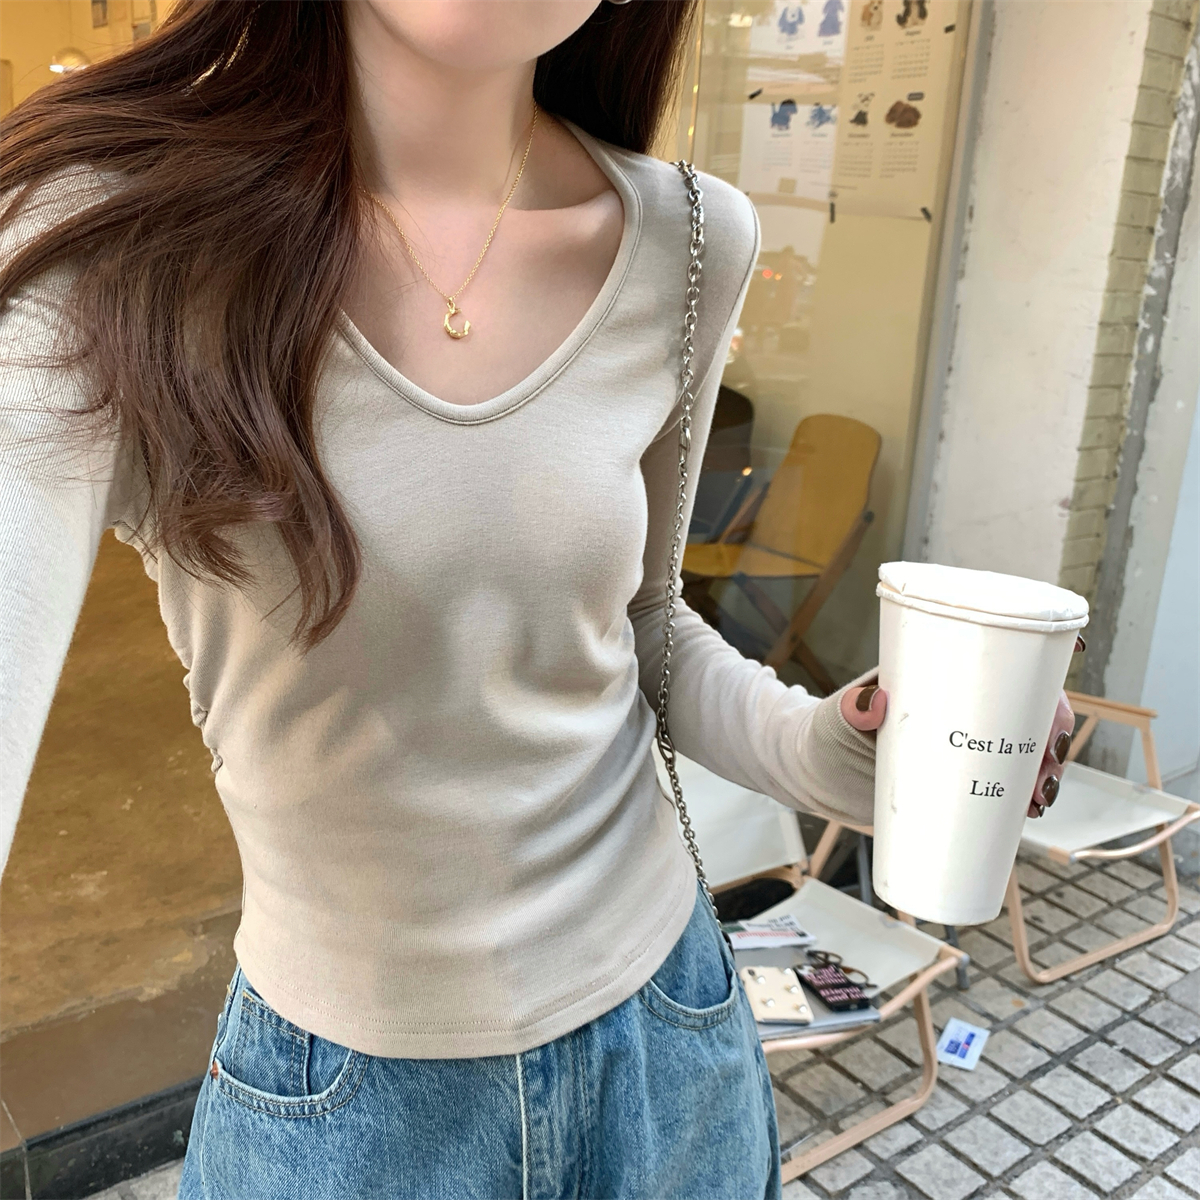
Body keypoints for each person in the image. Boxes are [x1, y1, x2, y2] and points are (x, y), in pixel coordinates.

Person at [0, 3, 1075, 1197]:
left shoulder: (691, 240)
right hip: (344, 1112)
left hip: (670, 1044)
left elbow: (642, 628)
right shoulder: (108, 245)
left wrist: (844, 750)